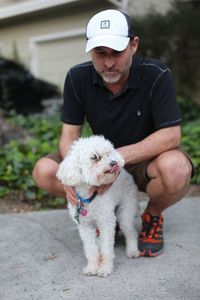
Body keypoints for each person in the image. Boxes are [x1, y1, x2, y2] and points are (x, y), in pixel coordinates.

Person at [32, 9, 193, 257]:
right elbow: (70, 134)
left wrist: (114, 159)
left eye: (116, 53)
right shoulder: (77, 77)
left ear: (134, 45)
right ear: (89, 48)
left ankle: (152, 215)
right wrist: (72, 175)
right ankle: (109, 214)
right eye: (100, 53)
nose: (108, 63)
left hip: (143, 160)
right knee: (45, 171)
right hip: (99, 158)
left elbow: (171, 135)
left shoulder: (156, 74)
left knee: (177, 169)